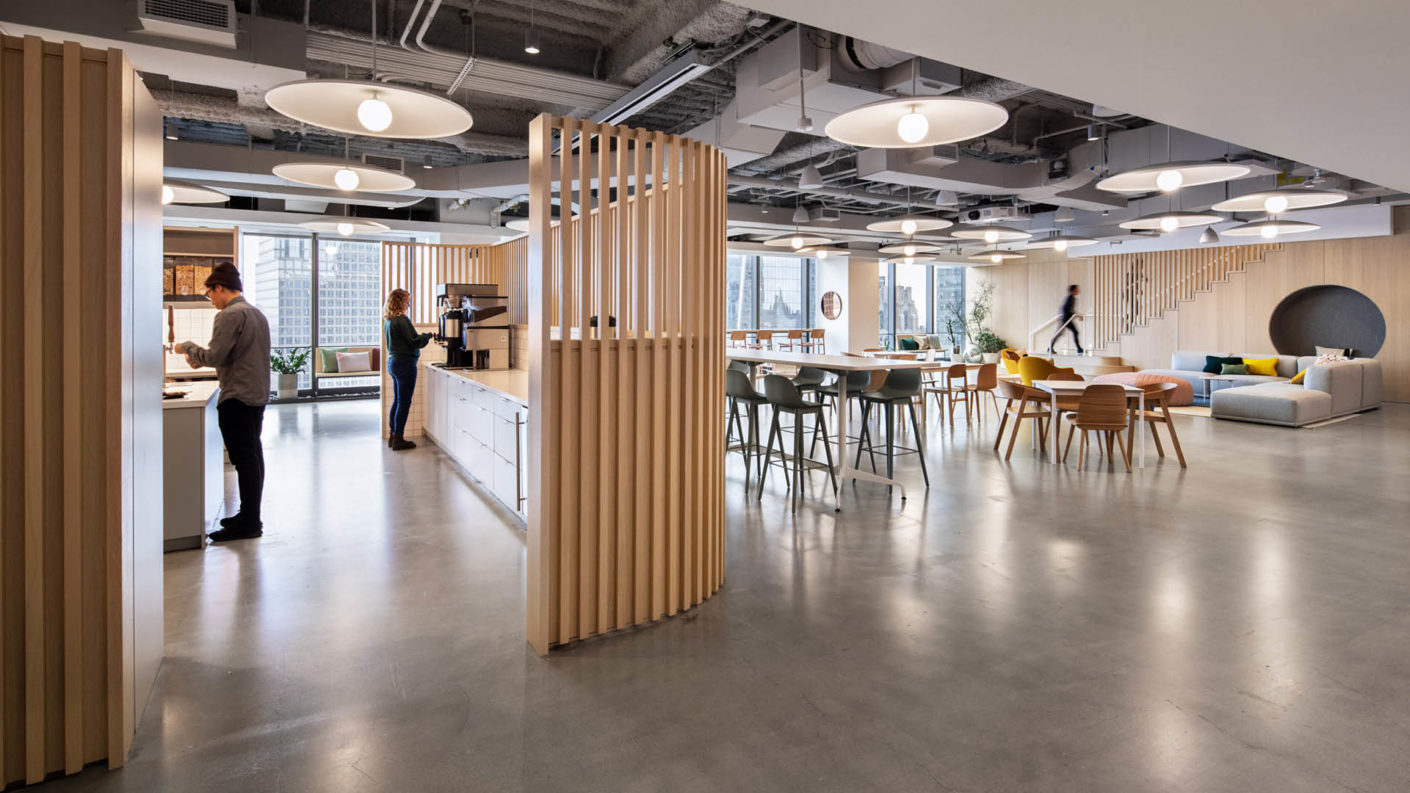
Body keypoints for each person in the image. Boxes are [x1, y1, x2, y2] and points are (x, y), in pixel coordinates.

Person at [181, 262, 271, 542]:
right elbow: (236, 356)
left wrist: (187, 347)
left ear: (219, 288)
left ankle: (249, 522)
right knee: (253, 457)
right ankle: (249, 515)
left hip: (237, 398)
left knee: (243, 459)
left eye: (210, 295)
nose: (211, 302)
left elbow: (214, 357)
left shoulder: (229, 315)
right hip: (256, 396)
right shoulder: (256, 314)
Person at [384, 289, 432, 451]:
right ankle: (399, 439)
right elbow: (414, 341)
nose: (408, 304)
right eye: (406, 301)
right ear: (399, 302)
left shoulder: (389, 320)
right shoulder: (402, 319)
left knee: (397, 400)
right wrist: (428, 335)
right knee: (404, 402)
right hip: (405, 364)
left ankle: (393, 435)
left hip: (393, 362)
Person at [1048, 283, 1084, 355]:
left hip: (1067, 319)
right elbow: (1068, 309)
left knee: (1063, 333)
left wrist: (1077, 315)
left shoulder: (1071, 298)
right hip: (1066, 319)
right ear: (1073, 290)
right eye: (1077, 289)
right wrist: (1078, 316)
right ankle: (1079, 348)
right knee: (1071, 332)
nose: (1078, 290)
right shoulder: (1070, 298)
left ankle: (1050, 348)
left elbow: (1066, 309)